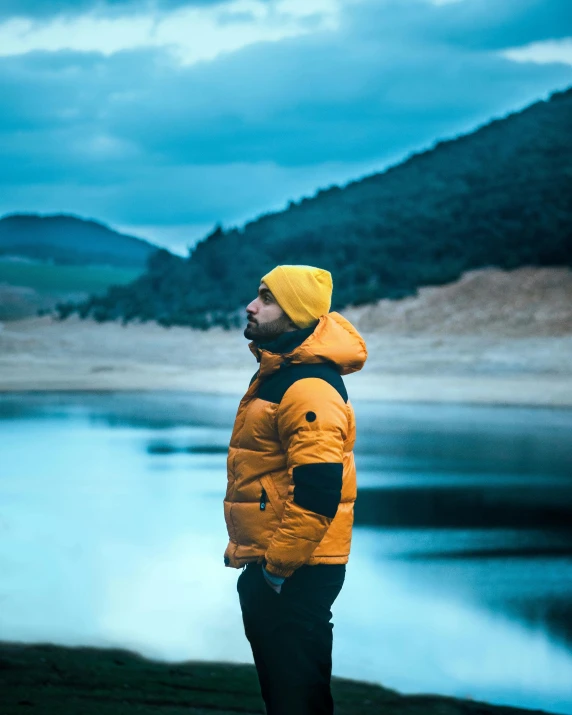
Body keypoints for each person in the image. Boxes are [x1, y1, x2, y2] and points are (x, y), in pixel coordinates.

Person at [223, 264, 367, 715]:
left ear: (297, 312)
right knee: (291, 696)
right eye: (257, 294)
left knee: (295, 700)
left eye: (267, 298)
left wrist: (276, 570)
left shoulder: (307, 388)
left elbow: (319, 491)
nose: (251, 305)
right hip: (287, 565)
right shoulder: (283, 373)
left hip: (297, 569)